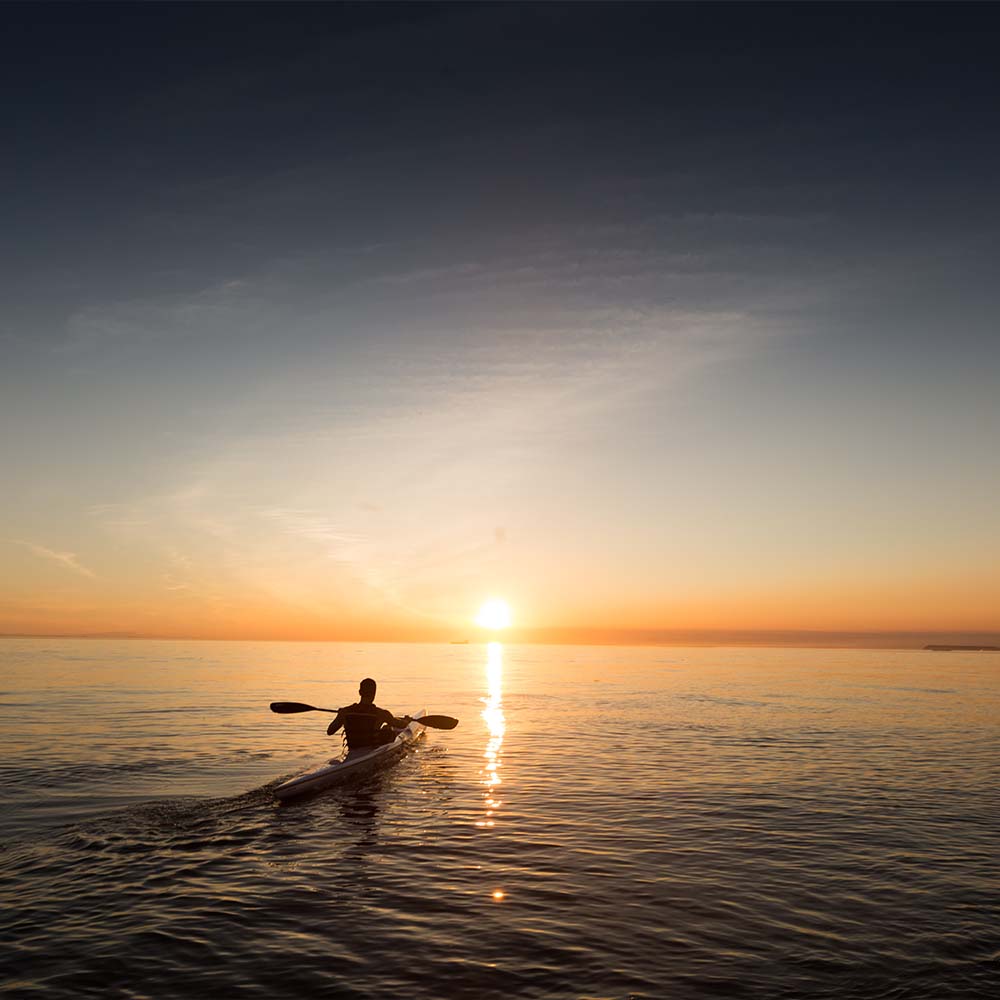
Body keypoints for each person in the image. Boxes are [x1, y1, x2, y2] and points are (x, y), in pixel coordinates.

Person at [327, 678, 411, 751]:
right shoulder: (381, 714)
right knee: (389, 729)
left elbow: (330, 731)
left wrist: (339, 715)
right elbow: (401, 725)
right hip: (371, 749)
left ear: (360, 692)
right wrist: (407, 720)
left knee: (386, 727)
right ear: (374, 694)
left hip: (352, 749)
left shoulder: (345, 711)